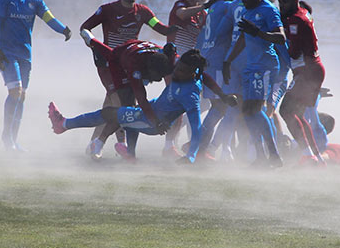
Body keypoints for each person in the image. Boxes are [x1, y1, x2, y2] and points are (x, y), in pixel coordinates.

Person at [49, 50, 237, 163]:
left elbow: (196, 127)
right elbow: (206, 78)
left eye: (180, 70)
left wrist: (191, 156)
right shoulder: (195, 76)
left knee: (109, 114)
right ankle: (129, 154)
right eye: (177, 67)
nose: (175, 72)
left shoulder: (190, 94)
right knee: (123, 114)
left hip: (151, 123)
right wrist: (223, 95)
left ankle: (64, 124)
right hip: (148, 113)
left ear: (191, 73)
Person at [79, 0, 176, 155]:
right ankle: (121, 144)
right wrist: (93, 44)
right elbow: (84, 28)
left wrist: (173, 28)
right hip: (109, 63)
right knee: (122, 102)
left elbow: (161, 28)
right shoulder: (107, 10)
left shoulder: (143, 12)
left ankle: (94, 144)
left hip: (130, 64)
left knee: (111, 104)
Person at [0, 0, 71, 152]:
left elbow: (49, 18)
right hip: (7, 53)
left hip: (26, 54)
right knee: (15, 91)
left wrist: (63, 29)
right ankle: (7, 137)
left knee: (22, 96)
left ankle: (14, 140)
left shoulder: (35, 0)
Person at [64, 30, 177, 159]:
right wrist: (156, 122)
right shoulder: (134, 68)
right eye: (156, 76)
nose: (157, 80)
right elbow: (142, 100)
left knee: (117, 108)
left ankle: (92, 41)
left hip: (135, 49)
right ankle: (106, 144)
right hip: (118, 62)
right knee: (128, 111)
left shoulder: (167, 57)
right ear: (148, 70)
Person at [223, 0, 286, 168]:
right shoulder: (248, 9)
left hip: (266, 66)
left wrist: (258, 32)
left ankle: (274, 156)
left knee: (254, 109)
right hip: (251, 66)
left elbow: (280, 37)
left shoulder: (268, 10)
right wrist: (228, 60)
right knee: (248, 111)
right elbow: (242, 37)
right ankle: (261, 157)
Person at [277, 0, 326, 165]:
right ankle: (316, 157)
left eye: (286, 2)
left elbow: (294, 52)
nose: (282, 5)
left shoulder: (295, 21)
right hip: (313, 69)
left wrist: (275, 39)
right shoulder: (302, 12)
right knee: (297, 114)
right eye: (280, 2)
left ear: (295, 0)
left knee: (285, 111)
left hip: (306, 72)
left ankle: (308, 156)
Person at [163, 0, 209, 156]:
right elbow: (181, 14)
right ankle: (169, 147)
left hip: (191, 67)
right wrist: (204, 6)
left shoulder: (203, 14)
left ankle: (189, 145)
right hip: (174, 63)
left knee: (196, 106)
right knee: (180, 107)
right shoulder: (180, 5)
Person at [193, 0, 239, 157]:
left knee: (219, 107)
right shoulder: (227, 6)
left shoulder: (213, 8)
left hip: (209, 61)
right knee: (222, 107)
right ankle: (200, 148)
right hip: (218, 63)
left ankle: (201, 147)